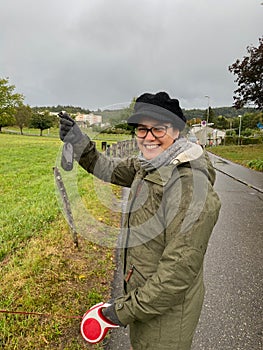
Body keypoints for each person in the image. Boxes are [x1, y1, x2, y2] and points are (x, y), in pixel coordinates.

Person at [59, 92, 221, 350]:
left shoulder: (189, 186)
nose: (148, 137)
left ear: (177, 131)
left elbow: (177, 274)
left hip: (166, 317)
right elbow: (104, 166)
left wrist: (117, 312)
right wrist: (78, 142)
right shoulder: (147, 165)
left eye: (159, 129)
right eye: (142, 129)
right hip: (144, 302)